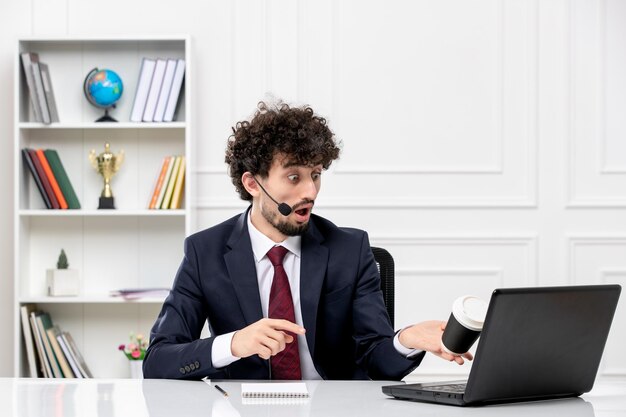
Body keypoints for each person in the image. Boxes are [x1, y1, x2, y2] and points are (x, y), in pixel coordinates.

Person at [143, 100, 472, 380]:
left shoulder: (349, 250)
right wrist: (232, 344)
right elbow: (158, 360)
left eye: (315, 175)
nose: (310, 192)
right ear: (253, 184)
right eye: (293, 177)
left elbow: (377, 359)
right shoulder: (205, 252)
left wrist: (407, 340)